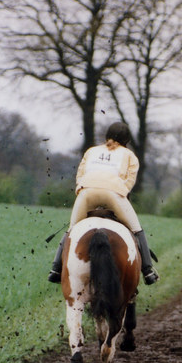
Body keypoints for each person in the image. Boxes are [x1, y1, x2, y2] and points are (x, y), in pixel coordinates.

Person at [48, 122, 159, 285]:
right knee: (137, 229)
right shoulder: (129, 155)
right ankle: (148, 271)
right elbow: (128, 184)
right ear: (126, 140)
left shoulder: (91, 151)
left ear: (107, 135)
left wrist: (83, 192)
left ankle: (56, 268)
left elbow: (80, 176)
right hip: (113, 195)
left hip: (87, 194)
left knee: (71, 229)